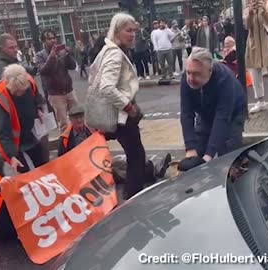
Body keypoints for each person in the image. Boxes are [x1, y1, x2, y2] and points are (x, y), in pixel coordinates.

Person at [87, 13, 148, 199]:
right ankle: (133, 196)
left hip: (112, 116)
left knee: (131, 154)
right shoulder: (115, 54)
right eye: (128, 30)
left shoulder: (109, 49)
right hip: (120, 116)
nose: (132, 35)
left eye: (134, 31)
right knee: (136, 156)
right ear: (117, 31)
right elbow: (106, 86)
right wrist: (128, 106)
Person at [58, 106, 171, 183]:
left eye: (81, 116)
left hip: (99, 162)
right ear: (70, 119)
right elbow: (63, 163)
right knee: (118, 173)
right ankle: (152, 172)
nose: (79, 120)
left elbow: (108, 135)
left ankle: (153, 168)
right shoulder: (65, 138)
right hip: (85, 171)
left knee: (124, 161)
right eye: (75, 117)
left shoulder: (90, 129)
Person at [179, 47, 246, 171]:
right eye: (188, 72)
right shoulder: (186, 79)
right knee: (197, 154)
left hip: (233, 113)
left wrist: (209, 155)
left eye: (196, 74)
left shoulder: (224, 79)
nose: (191, 78)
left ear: (210, 71)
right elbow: (186, 113)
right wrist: (190, 149)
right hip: (205, 114)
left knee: (228, 154)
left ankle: (233, 179)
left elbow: (222, 118)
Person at [0, 64, 47, 175]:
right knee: (25, 172)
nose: (20, 94)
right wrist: (11, 156)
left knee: (42, 164)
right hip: (15, 141)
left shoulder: (28, 82)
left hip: (31, 134)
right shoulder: (0, 100)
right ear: (8, 85)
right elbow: (3, 134)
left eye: (22, 90)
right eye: (16, 92)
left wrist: (38, 109)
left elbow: (36, 96)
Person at [34, 29, 78, 133]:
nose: (53, 40)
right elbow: (43, 70)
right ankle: (67, 145)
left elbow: (72, 66)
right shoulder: (40, 55)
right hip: (55, 94)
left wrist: (68, 55)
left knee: (77, 117)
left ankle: (80, 140)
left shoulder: (61, 52)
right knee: (63, 123)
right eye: (49, 39)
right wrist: (51, 57)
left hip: (69, 90)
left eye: (54, 38)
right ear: (43, 41)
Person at [244, 0, 268, 113]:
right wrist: (250, 13)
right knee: (255, 74)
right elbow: (247, 26)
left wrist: (264, 10)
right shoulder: (248, 6)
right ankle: (260, 101)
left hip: (267, 44)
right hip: (254, 46)